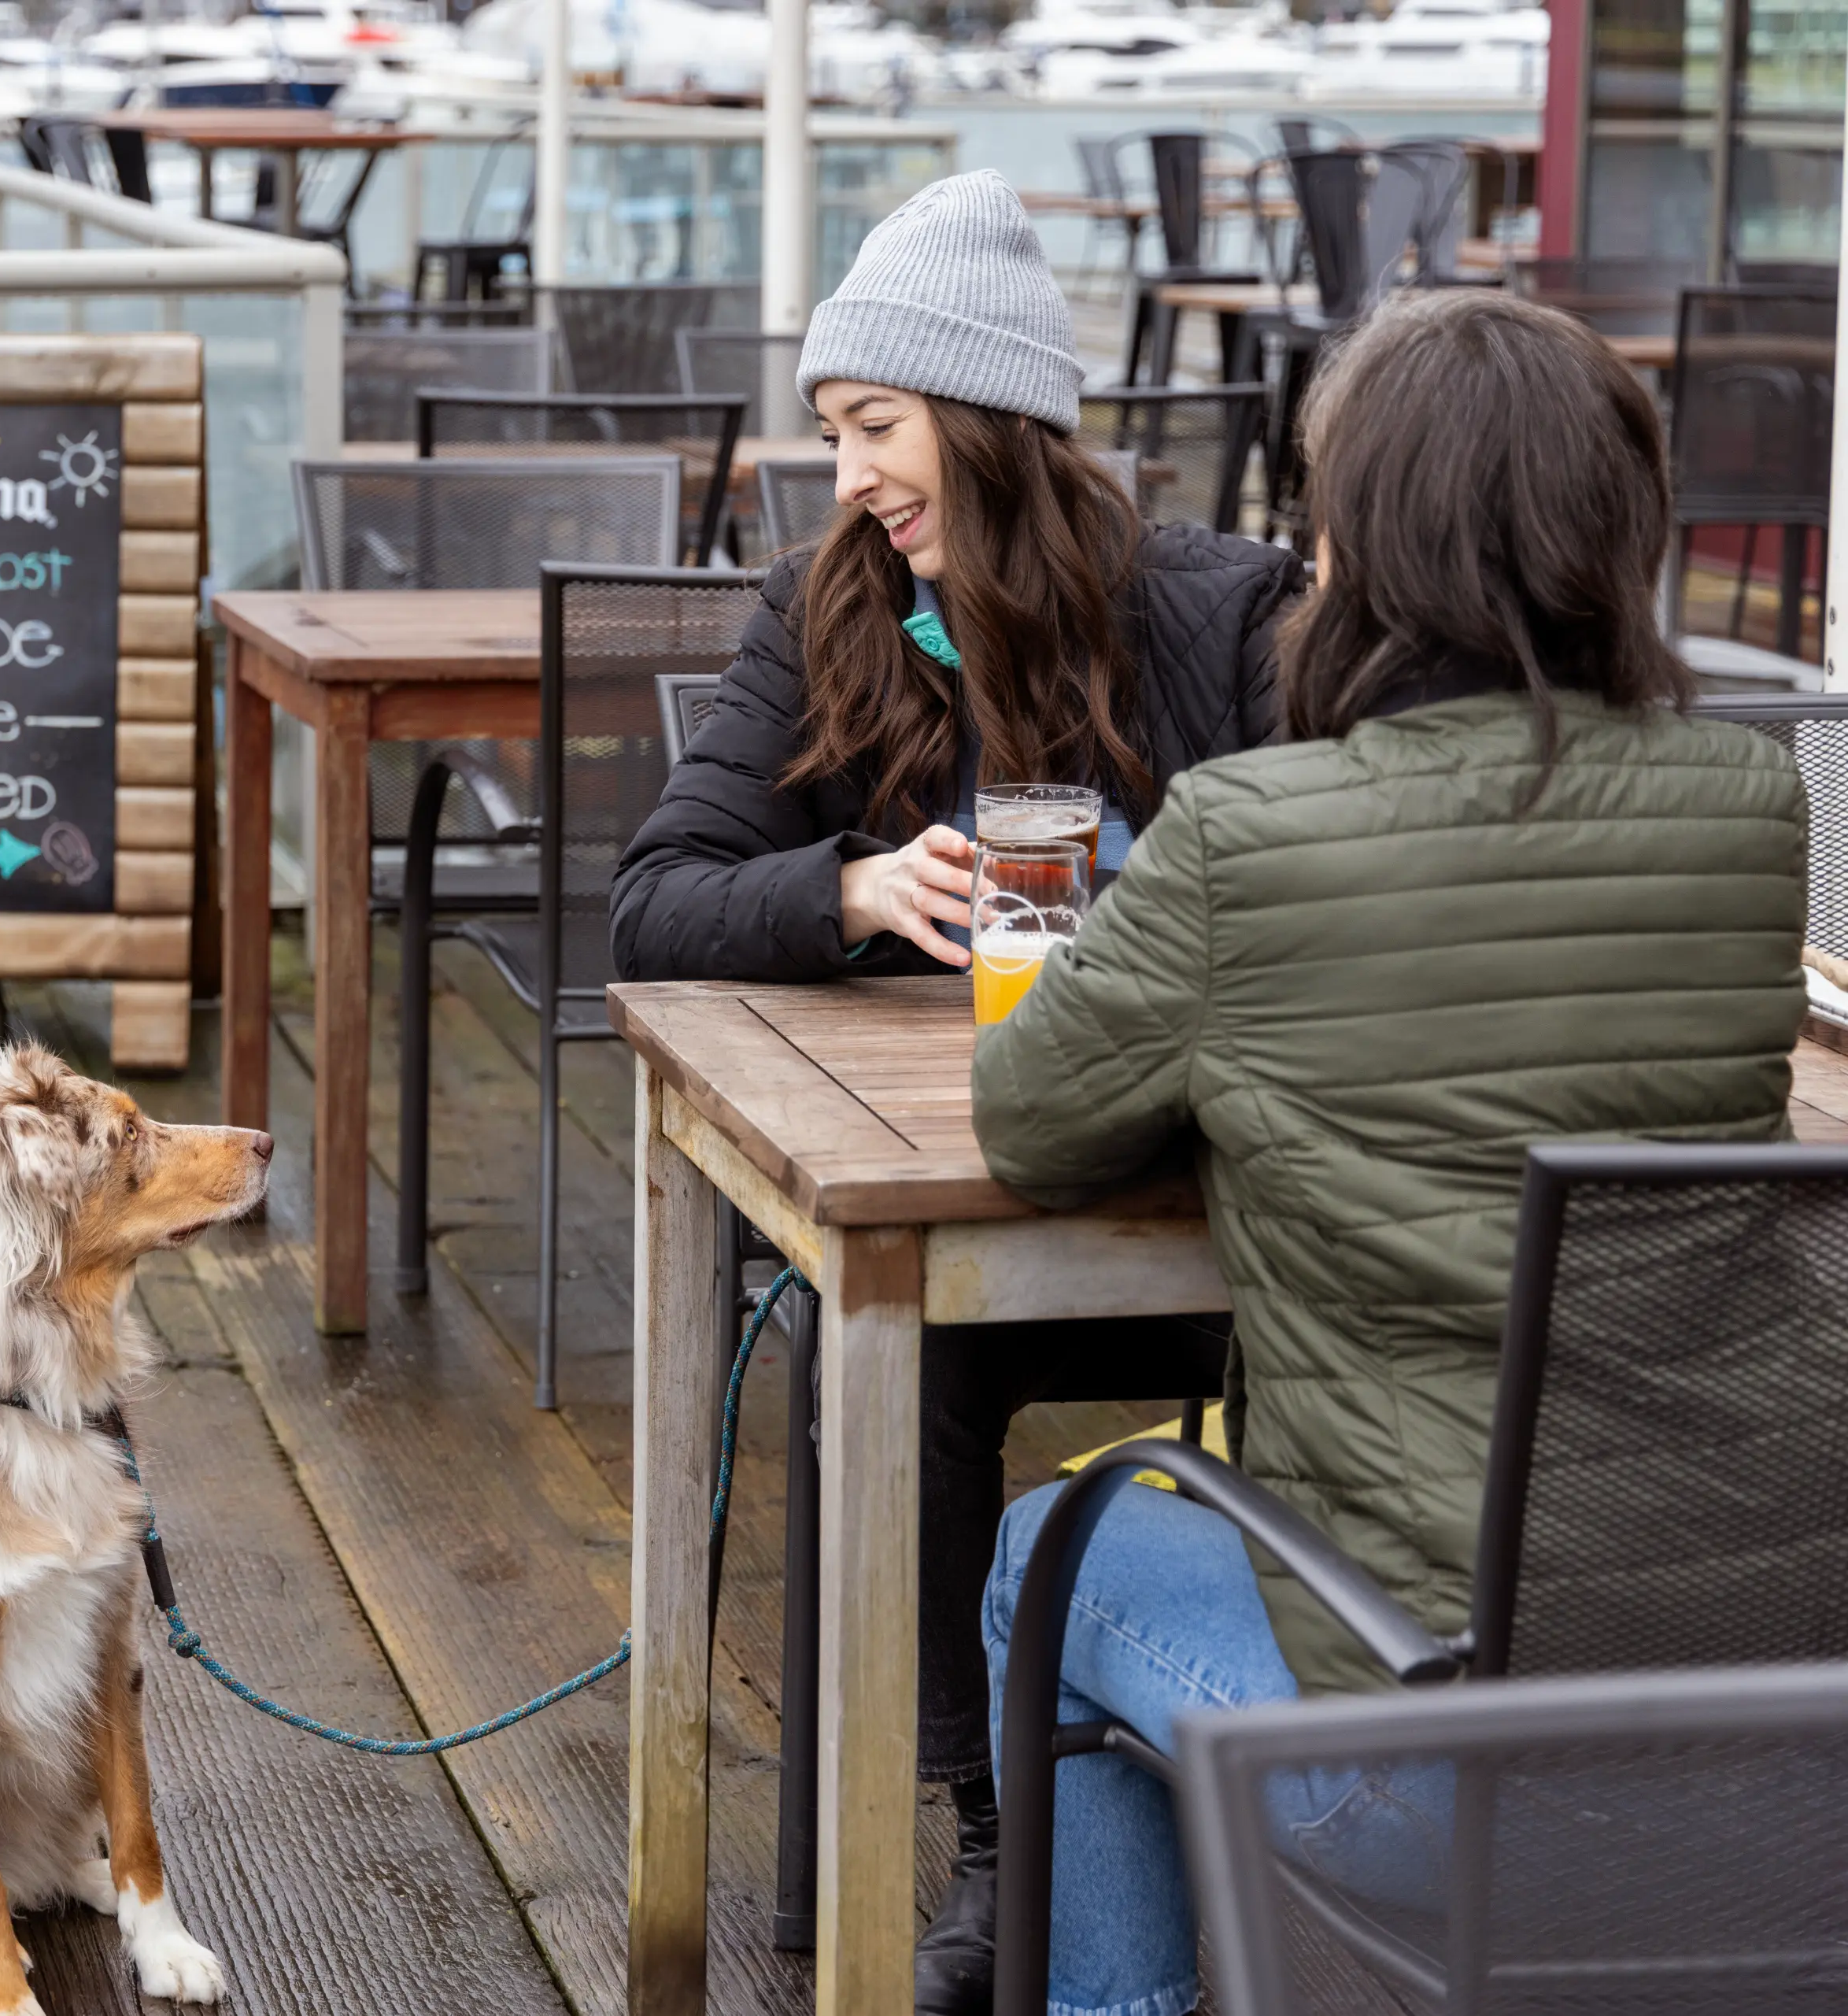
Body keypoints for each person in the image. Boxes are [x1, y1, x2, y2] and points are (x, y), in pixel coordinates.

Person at [971, 286, 1807, 2016]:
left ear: (1354, 546)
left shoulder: (1251, 833)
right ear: (1618, 533)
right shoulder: (1753, 808)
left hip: (1439, 1754)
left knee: (1049, 1552)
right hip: (1773, 1729)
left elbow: (1032, 1119)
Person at [609, 169, 1300, 2010]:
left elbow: (1336, 870)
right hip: (974, 1172)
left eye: (877, 429)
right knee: (888, 1364)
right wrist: (847, 889)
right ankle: (999, 1837)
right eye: (838, 434)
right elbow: (653, 896)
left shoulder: (1224, 614)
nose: (849, 477)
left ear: (988, 423)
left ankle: (1244, 1794)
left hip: (1225, 1184)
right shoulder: (825, 610)